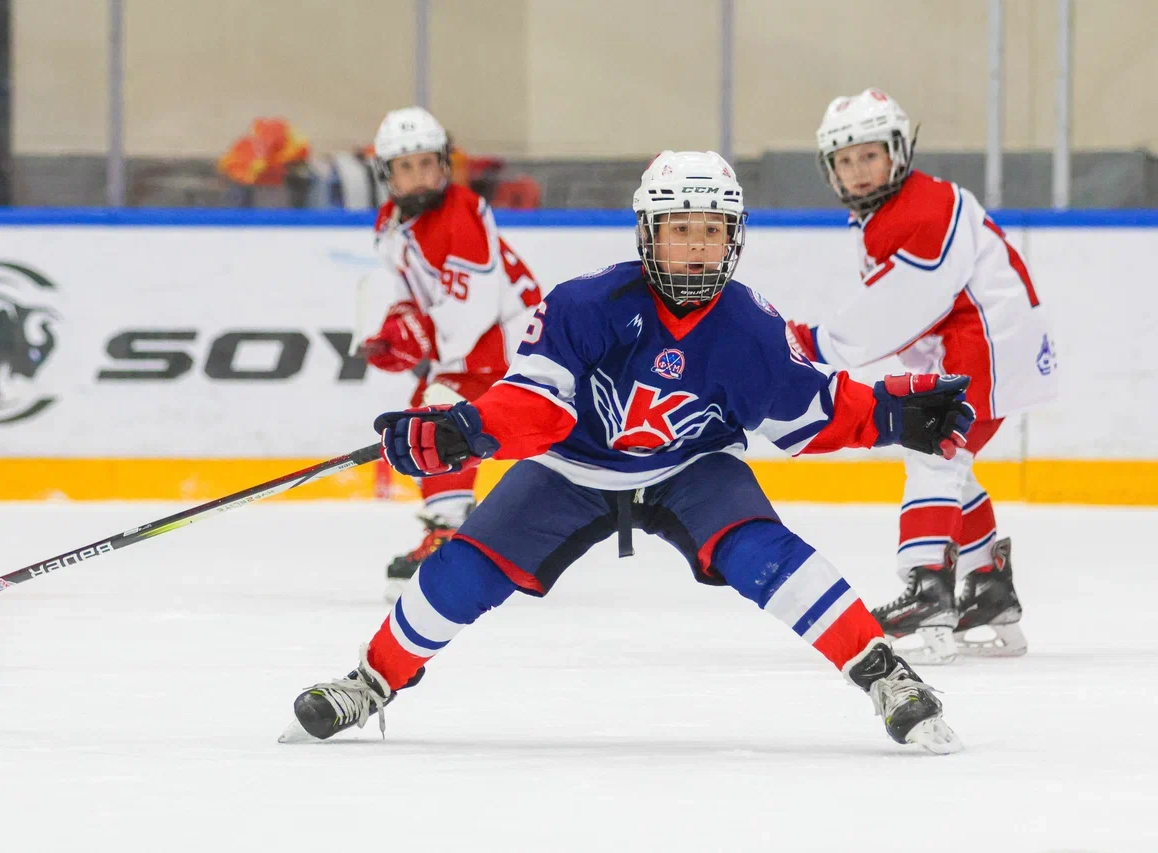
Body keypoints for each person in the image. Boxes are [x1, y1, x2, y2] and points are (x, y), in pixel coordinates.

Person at [282, 151, 974, 754]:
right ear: (650, 234)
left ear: (733, 238)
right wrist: (469, 427)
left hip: (690, 469)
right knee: (463, 572)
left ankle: (884, 673)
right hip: (571, 469)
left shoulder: (751, 328)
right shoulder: (588, 305)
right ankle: (373, 679)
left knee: (766, 551)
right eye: (681, 230)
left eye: (712, 230)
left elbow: (812, 410)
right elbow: (536, 405)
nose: (697, 247)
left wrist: (888, 413)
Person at [786, 89, 1058, 663]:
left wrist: (811, 342)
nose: (857, 172)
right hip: (980, 345)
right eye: (844, 161)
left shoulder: (921, 209)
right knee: (951, 466)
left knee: (935, 456)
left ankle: (928, 588)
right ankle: (989, 589)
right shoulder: (892, 211)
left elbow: (895, 309)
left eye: (869, 156)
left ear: (898, 152)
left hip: (985, 346)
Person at [362, 106, 542, 601]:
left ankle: (451, 534)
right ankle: (460, 528)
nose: (419, 177)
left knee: (435, 417)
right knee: (435, 414)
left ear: (444, 163)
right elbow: (407, 289)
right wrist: (398, 326)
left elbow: (469, 317)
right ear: (387, 174)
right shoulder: (391, 222)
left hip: (515, 344)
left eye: (427, 163)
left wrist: (415, 337)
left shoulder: (462, 215)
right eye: (406, 167)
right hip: (482, 347)